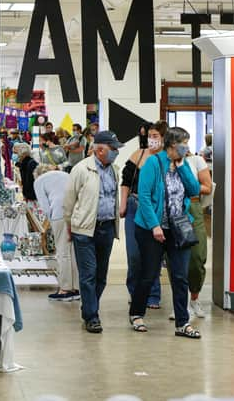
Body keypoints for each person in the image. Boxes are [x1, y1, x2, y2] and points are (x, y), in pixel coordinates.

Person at [130, 127, 202, 338]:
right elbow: (143, 196)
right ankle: (136, 314)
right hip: (151, 228)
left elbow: (194, 190)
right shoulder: (153, 162)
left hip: (178, 228)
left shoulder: (184, 163)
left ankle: (182, 322)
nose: (186, 148)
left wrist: (182, 167)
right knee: (149, 273)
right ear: (171, 145)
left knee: (180, 276)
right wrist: (154, 225)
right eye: (183, 144)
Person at [64, 131, 123, 334]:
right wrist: (69, 226)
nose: (116, 152)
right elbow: (69, 201)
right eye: (113, 149)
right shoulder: (81, 169)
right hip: (84, 229)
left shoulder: (115, 170)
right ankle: (92, 316)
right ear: (100, 149)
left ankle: (89, 307)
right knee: (88, 274)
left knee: (101, 276)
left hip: (106, 227)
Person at [120, 121, 167, 309]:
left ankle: (153, 293)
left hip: (157, 208)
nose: (150, 140)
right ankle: (134, 290)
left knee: (153, 253)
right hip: (135, 205)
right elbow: (125, 181)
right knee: (134, 254)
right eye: (149, 136)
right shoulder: (138, 155)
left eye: (155, 136)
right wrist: (123, 204)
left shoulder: (167, 159)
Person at [34, 164, 79, 301]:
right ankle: (76, 287)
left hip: (59, 214)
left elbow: (45, 205)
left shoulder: (39, 181)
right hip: (76, 212)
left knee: (62, 252)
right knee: (73, 251)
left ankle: (65, 289)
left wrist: (50, 222)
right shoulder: (65, 175)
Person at [183, 146, 213, 319]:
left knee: (197, 257)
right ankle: (179, 303)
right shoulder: (165, 161)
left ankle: (194, 298)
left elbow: (207, 187)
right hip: (172, 208)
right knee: (174, 259)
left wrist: (188, 184)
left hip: (193, 207)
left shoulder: (196, 160)